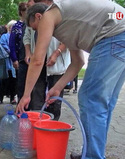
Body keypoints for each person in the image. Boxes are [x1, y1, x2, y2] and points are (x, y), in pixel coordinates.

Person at [16, 1, 125, 159]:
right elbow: (77, 62)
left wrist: (26, 95)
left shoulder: (48, 15)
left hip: (114, 36)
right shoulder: (66, 26)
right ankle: (92, 151)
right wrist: (58, 87)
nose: (37, 33)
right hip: (119, 36)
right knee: (104, 102)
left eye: (35, 29)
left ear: (38, 17)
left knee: (90, 98)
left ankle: (92, 156)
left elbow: (37, 60)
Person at [24, 1, 71, 120]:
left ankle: (53, 125)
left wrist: (56, 53)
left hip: (56, 63)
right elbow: (78, 61)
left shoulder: (62, 18)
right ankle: (38, 123)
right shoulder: (39, 18)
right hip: (41, 64)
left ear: (39, 16)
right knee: (37, 96)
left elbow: (68, 41)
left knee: (55, 99)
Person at [0, 20, 17, 105]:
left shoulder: (17, 36)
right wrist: (10, 52)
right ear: (8, 27)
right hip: (6, 62)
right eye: (11, 26)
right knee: (4, 80)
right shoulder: (4, 36)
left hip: (14, 62)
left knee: (13, 80)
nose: (13, 28)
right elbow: (2, 45)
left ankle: (12, 97)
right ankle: (0, 97)